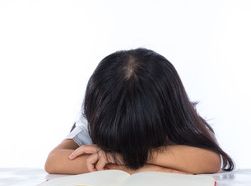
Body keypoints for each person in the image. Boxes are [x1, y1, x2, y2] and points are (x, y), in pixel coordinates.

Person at [45, 48, 235, 175]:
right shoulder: (94, 120)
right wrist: (133, 168)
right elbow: (53, 160)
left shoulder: (174, 120)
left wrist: (125, 158)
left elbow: (211, 160)